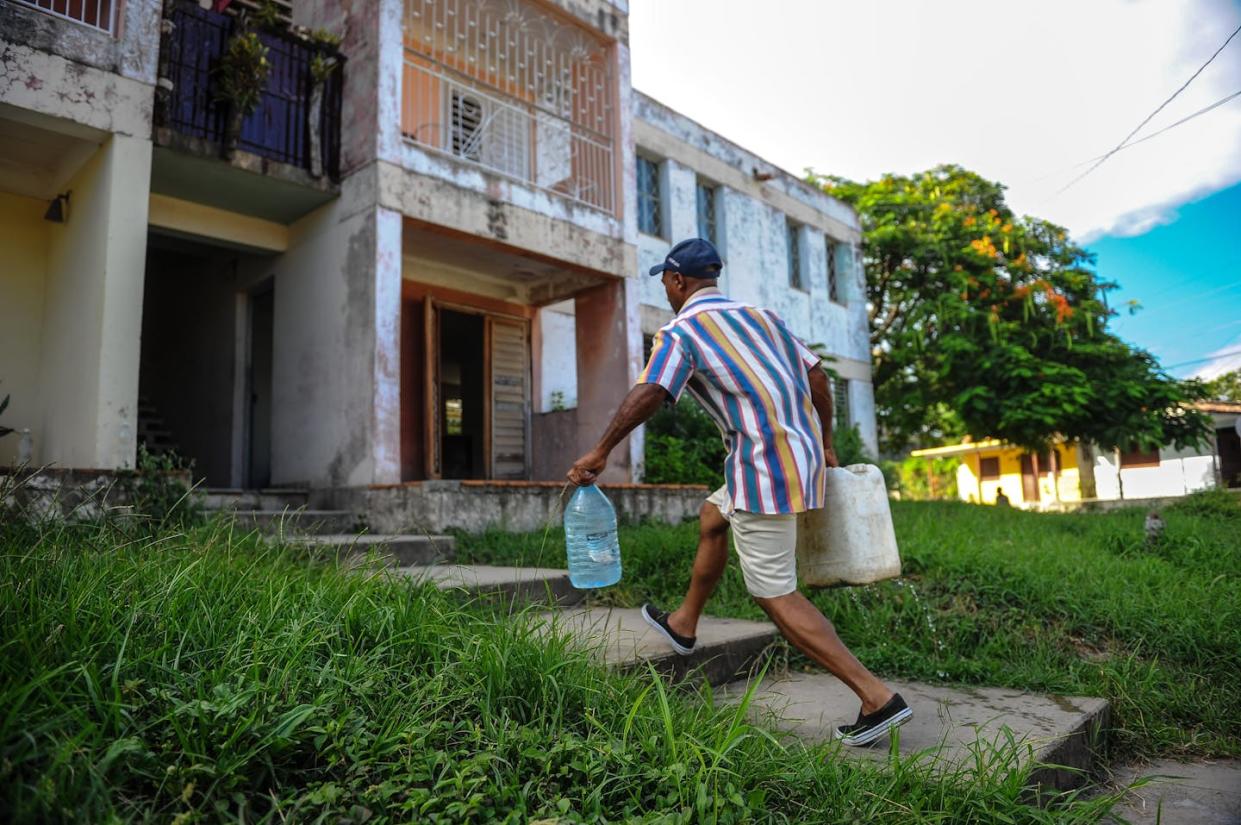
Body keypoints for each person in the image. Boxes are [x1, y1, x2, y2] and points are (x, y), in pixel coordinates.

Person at [567, 238, 911, 747]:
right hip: (798, 456)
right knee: (712, 516)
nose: (665, 289)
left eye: (665, 281)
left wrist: (599, 452)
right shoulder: (762, 316)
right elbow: (818, 378)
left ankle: (876, 697)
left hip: (763, 467)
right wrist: (827, 443)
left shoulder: (681, 330)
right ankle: (683, 624)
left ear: (678, 281)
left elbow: (651, 391)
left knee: (774, 593)